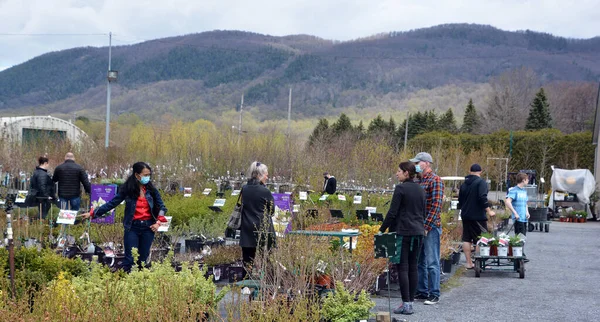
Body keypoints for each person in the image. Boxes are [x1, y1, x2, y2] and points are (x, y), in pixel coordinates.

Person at [82, 162, 167, 272]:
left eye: (149, 175)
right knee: (130, 259)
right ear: (137, 175)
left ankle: (141, 283)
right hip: (132, 227)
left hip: (148, 227)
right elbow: (112, 203)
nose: (147, 178)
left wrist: (158, 222)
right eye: (145, 175)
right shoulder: (128, 189)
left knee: (142, 259)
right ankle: (127, 282)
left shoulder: (151, 190)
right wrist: (93, 213)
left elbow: (162, 207)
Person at [379, 162, 426, 315]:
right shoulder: (421, 189)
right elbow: (422, 212)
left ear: (406, 173)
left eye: (399, 171)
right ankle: (409, 303)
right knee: (413, 267)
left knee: (403, 267)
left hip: (403, 232)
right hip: (418, 232)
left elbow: (392, 212)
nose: (396, 173)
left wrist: (381, 230)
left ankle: (406, 304)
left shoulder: (400, 188)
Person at [410, 152, 444, 305]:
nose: (416, 165)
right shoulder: (419, 181)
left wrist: (427, 226)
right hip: (419, 225)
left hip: (430, 226)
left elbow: (436, 206)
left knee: (432, 261)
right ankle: (422, 291)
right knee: (420, 261)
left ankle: (434, 293)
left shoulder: (435, 180)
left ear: (427, 163)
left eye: (418, 162)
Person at [457, 163, 495, 269]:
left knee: (466, 238)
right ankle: (480, 263)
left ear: (470, 171)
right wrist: (489, 211)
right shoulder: (481, 182)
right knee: (482, 238)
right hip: (478, 216)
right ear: (480, 172)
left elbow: (460, 201)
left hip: (465, 215)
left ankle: (469, 263)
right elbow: (482, 197)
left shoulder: (464, 184)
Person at [240, 161, 275, 272]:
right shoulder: (265, 191)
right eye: (266, 175)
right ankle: (265, 287)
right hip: (262, 230)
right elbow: (272, 210)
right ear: (260, 175)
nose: (267, 177)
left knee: (247, 262)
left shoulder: (244, 189)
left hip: (246, 230)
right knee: (266, 261)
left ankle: (245, 287)